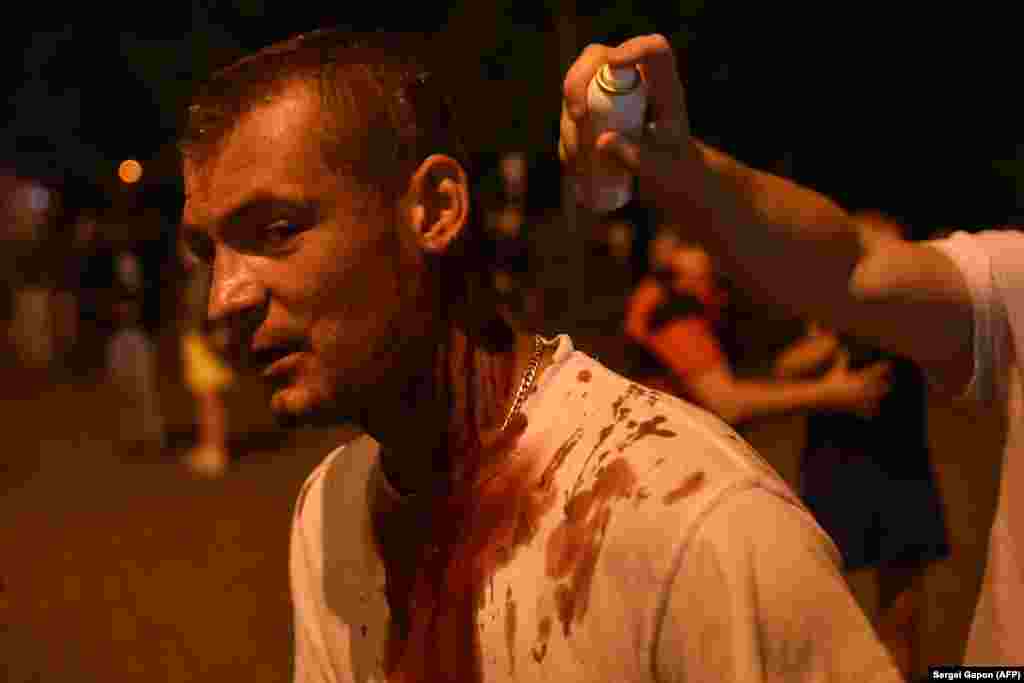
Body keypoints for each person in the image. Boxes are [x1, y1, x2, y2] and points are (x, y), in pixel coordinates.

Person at [179, 29, 902, 682]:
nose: (224, 298)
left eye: (275, 230)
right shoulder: (330, 514)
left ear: (434, 209)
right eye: (208, 253)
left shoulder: (691, 522)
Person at [559, 33, 1021, 663]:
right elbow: (849, 273)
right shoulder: (662, 309)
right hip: (696, 498)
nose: (708, 270)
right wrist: (677, 168)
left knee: (899, 613)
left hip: (877, 451)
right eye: (693, 251)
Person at [772, 212, 951, 680]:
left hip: (900, 461)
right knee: (832, 612)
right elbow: (787, 366)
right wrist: (837, 332)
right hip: (837, 464)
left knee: (904, 618)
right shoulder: (828, 304)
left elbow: (946, 366)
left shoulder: (919, 311)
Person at [625, 224, 891, 425]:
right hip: (670, 446)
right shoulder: (671, 305)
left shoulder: (711, 297)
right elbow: (727, 402)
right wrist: (832, 393)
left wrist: (836, 339)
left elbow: (763, 371)